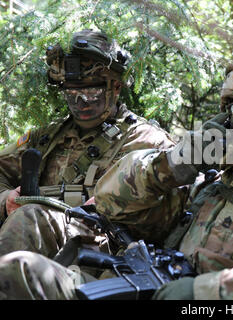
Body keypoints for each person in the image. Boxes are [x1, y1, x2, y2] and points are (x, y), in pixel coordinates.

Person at [0, 51, 233, 300]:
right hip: (143, 283)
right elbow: (112, 203)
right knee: (19, 270)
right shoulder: (216, 177)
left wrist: (204, 292)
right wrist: (174, 163)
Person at [0, 30, 174, 259]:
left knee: (28, 219)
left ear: (116, 87)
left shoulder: (146, 141)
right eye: (71, 92)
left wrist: (109, 207)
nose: (80, 101)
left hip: (99, 257)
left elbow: (167, 215)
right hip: (33, 246)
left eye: (92, 91)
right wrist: (6, 201)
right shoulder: (46, 137)